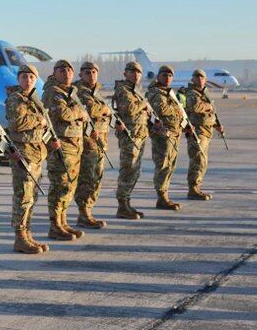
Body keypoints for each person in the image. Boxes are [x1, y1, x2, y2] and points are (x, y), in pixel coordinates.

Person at [4, 63, 50, 253]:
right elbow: (18, 123)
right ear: (18, 79)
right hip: (23, 155)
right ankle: (20, 237)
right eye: (24, 77)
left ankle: (27, 234)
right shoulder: (16, 98)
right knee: (23, 197)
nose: (28, 80)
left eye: (31, 77)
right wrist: (39, 120)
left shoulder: (34, 100)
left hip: (36, 154)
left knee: (31, 197)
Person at [42, 60, 87, 240]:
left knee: (69, 187)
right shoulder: (52, 92)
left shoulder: (71, 93)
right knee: (59, 186)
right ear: (55, 73)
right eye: (61, 70)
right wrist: (79, 111)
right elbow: (64, 114)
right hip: (60, 147)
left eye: (69, 70)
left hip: (74, 146)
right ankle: (54, 225)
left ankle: (63, 222)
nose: (66, 73)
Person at [73, 61, 116, 229]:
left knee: (96, 178)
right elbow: (89, 109)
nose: (91, 75)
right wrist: (104, 110)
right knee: (87, 179)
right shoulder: (79, 92)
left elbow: (104, 110)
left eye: (94, 72)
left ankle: (88, 211)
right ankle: (84, 213)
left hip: (99, 142)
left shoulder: (96, 92)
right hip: (87, 144)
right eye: (87, 72)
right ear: (81, 75)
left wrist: (104, 109)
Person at [113, 61, 154, 219]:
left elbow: (142, 112)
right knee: (128, 170)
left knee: (135, 172)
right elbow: (128, 109)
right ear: (126, 73)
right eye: (132, 71)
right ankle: (122, 205)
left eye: (139, 72)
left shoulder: (137, 91)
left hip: (140, 136)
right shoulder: (123, 90)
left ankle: (127, 203)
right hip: (129, 137)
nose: (136, 74)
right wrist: (143, 104)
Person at [146, 64, 186, 210]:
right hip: (162, 135)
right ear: (158, 76)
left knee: (170, 166)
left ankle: (165, 196)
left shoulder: (169, 93)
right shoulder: (156, 92)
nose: (167, 78)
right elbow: (160, 109)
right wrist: (177, 110)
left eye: (170, 76)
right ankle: (161, 197)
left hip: (173, 134)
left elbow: (179, 111)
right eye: (164, 75)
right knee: (163, 165)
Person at [182, 68, 224, 199]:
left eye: (202, 77)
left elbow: (212, 111)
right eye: (197, 77)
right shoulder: (191, 93)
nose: (199, 79)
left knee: (203, 161)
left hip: (206, 130)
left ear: (205, 80)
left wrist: (217, 124)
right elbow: (195, 107)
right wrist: (208, 106)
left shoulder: (205, 93)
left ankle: (196, 187)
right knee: (198, 160)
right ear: (192, 79)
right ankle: (193, 189)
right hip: (197, 131)